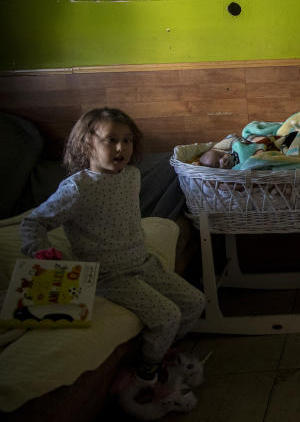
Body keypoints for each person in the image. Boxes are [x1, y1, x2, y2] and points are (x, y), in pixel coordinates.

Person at [20, 107, 206, 413]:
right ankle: (143, 375)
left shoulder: (131, 175)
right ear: (86, 144)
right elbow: (33, 223)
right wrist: (40, 251)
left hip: (142, 262)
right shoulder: (77, 188)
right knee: (167, 316)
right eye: (111, 140)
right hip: (108, 275)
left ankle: (164, 354)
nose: (121, 148)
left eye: (127, 140)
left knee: (194, 301)